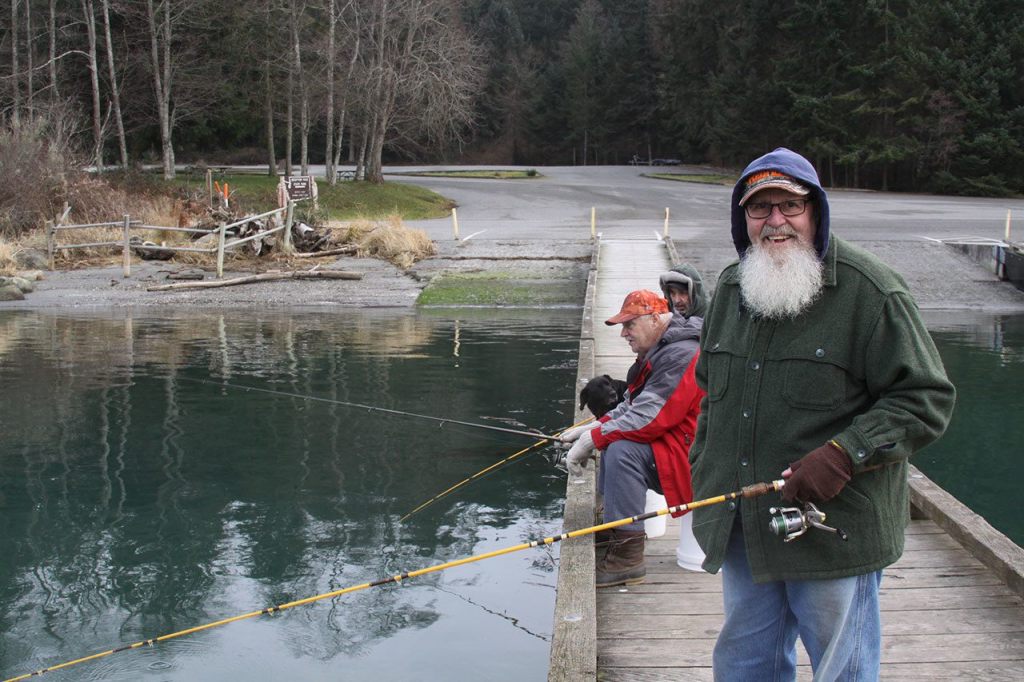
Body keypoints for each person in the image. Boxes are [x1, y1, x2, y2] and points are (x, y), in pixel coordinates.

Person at [688, 147, 956, 680]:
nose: (775, 221)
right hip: (745, 525)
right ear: (744, 220)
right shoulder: (730, 288)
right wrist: (702, 470)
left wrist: (843, 453)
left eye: (789, 205)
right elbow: (707, 393)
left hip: (838, 529)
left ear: (817, 211)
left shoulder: (872, 291)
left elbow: (925, 398)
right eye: (759, 208)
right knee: (743, 662)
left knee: (843, 667)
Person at [561, 288, 705, 587]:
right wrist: (589, 429)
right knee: (613, 438)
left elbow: (649, 419)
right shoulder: (660, 350)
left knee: (621, 450)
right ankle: (614, 526)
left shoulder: (681, 355)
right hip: (680, 442)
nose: (624, 333)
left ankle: (628, 558)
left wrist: (592, 441)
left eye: (629, 325)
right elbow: (631, 405)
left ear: (654, 319)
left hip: (698, 456)